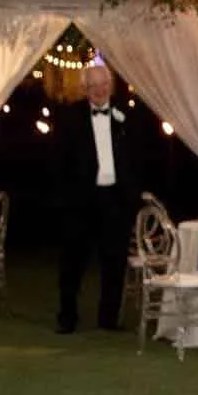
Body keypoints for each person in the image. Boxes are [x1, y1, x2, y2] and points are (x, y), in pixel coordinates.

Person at [56, 64, 140, 334]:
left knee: (114, 262)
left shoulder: (125, 114)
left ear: (110, 86)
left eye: (103, 84)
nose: (99, 90)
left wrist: (133, 195)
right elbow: (60, 162)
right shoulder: (70, 117)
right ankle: (67, 317)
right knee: (73, 263)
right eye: (93, 86)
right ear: (85, 89)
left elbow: (138, 157)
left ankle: (109, 318)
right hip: (81, 201)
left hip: (115, 200)